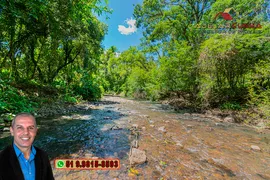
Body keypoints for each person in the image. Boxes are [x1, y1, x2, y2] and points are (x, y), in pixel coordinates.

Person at [0, 112, 54, 180]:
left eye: (30, 128)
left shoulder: (43, 155)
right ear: (12, 131)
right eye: (20, 127)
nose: (26, 132)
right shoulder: (2, 158)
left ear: (36, 131)